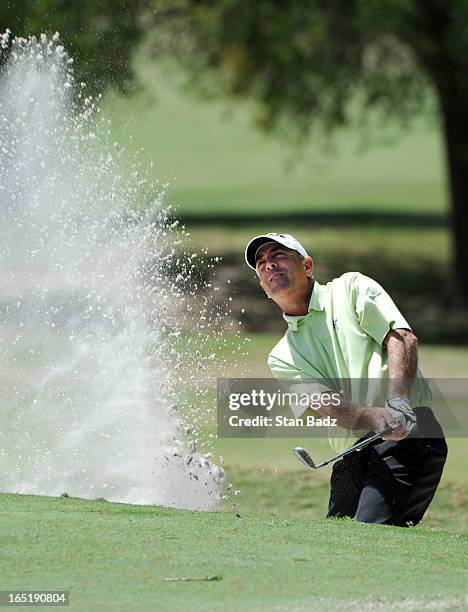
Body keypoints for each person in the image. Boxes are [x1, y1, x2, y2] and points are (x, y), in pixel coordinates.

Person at [244, 232, 447, 527]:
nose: (269, 265)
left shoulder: (350, 289)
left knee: (370, 533)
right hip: (352, 452)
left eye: (278, 255)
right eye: (261, 263)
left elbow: (401, 338)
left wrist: (397, 399)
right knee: (339, 543)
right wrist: (370, 415)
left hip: (410, 433)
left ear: (308, 265)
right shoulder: (281, 355)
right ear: (263, 287)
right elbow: (323, 402)